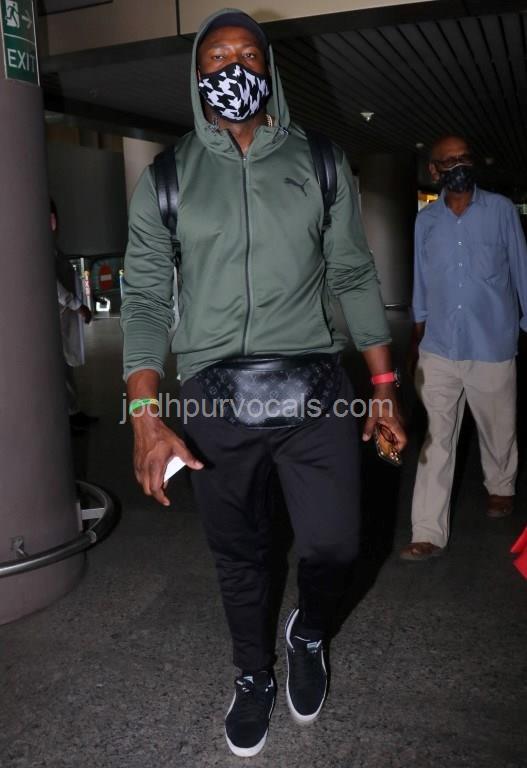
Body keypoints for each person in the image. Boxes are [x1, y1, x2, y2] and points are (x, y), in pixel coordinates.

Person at [121, 8, 406, 757]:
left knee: (337, 544)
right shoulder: (166, 178)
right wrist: (145, 412)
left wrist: (382, 384)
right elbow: (145, 301)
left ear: (270, 69)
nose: (233, 70)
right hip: (213, 397)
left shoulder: (320, 162)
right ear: (196, 76)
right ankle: (252, 675)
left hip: (315, 386)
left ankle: (308, 632)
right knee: (239, 555)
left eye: (248, 55)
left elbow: (352, 273)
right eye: (217, 59)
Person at [401, 136, 527, 562]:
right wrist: (417, 333)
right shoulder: (426, 221)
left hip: (492, 340)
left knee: (498, 427)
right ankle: (427, 531)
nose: (458, 166)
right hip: (439, 344)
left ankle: (500, 484)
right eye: (448, 161)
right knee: (436, 438)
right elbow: (420, 277)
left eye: (464, 159)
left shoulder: (500, 211)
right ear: (434, 171)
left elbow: (521, 267)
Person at [51, 200, 96, 431]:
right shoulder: (46, 250)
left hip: (65, 319)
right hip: (59, 320)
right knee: (62, 368)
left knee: (67, 367)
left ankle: (73, 411)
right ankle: (71, 414)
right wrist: (78, 306)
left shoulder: (53, 249)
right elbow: (58, 288)